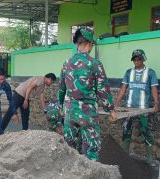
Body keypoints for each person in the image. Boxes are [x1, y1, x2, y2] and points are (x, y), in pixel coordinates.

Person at [58, 27, 117, 161]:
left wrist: (61, 105)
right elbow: (103, 90)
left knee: (70, 145)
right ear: (89, 44)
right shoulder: (95, 64)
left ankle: (70, 176)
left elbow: (61, 88)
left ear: (77, 44)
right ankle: (89, 177)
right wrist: (111, 110)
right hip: (87, 112)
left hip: (69, 111)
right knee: (91, 146)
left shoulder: (66, 63)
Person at [115, 49, 159, 166]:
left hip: (143, 108)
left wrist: (156, 102)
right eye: (134, 59)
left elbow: (154, 88)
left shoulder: (150, 72)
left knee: (146, 132)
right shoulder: (129, 72)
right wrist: (117, 102)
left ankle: (149, 159)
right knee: (126, 131)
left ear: (143, 59)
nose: (136, 61)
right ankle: (124, 157)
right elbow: (124, 88)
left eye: (138, 59)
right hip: (129, 108)